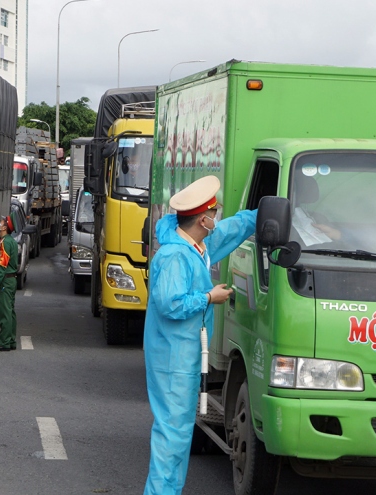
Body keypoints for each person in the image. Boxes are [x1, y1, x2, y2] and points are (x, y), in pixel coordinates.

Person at [143, 175, 257, 495]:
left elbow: (231, 231)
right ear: (204, 218)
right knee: (172, 438)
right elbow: (170, 303)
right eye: (215, 213)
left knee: (177, 438)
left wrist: (265, 213)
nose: (217, 218)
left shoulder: (196, 246)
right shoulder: (175, 256)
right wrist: (209, 298)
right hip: (172, 359)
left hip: (183, 356)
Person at [0, 213, 18, 351]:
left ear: (4, 227)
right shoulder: (11, 241)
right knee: (10, 311)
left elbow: (1, 266)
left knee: (4, 313)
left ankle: (4, 343)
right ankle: (11, 340)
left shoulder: (5, 243)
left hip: (5, 282)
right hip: (11, 281)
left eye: (0, 222)